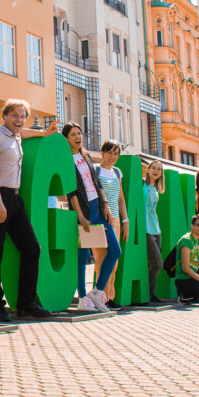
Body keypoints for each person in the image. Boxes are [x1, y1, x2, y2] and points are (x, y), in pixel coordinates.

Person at [0, 99, 54, 321]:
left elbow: (25, 134)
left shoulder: (15, 137)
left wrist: (44, 135)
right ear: (4, 116)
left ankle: (26, 304)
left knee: (32, 249)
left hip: (15, 199)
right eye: (15, 115)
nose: (19, 120)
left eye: (23, 116)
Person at [60, 123, 110, 312]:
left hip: (98, 206)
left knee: (114, 250)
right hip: (83, 209)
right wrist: (80, 216)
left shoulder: (86, 155)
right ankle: (82, 298)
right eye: (73, 134)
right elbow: (71, 191)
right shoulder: (67, 159)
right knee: (82, 257)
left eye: (79, 133)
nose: (78, 137)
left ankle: (97, 291)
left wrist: (105, 204)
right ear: (67, 138)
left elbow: (97, 182)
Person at [89, 141, 128, 310]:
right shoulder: (96, 170)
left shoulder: (117, 173)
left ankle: (109, 297)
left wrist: (125, 220)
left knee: (114, 261)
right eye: (110, 153)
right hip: (100, 219)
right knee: (101, 259)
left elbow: (120, 199)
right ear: (102, 153)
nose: (113, 157)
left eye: (116, 153)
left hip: (116, 220)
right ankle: (100, 297)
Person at [142, 160, 165, 303]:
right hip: (145, 229)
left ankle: (152, 294)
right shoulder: (141, 184)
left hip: (156, 229)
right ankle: (146, 293)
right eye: (154, 168)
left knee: (152, 264)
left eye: (159, 169)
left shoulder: (156, 189)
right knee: (157, 264)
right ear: (148, 169)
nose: (156, 170)